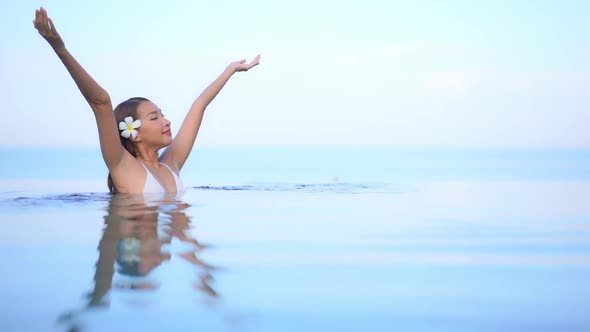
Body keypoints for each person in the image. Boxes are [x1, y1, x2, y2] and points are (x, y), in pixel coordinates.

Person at [33, 7, 260, 194]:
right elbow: (101, 103)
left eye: (162, 114)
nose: (167, 121)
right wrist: (59, 48)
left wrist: (230, 70)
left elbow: (199, 106)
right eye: (155, 117)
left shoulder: (171, 165)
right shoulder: (123, 166)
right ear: (134, 132)